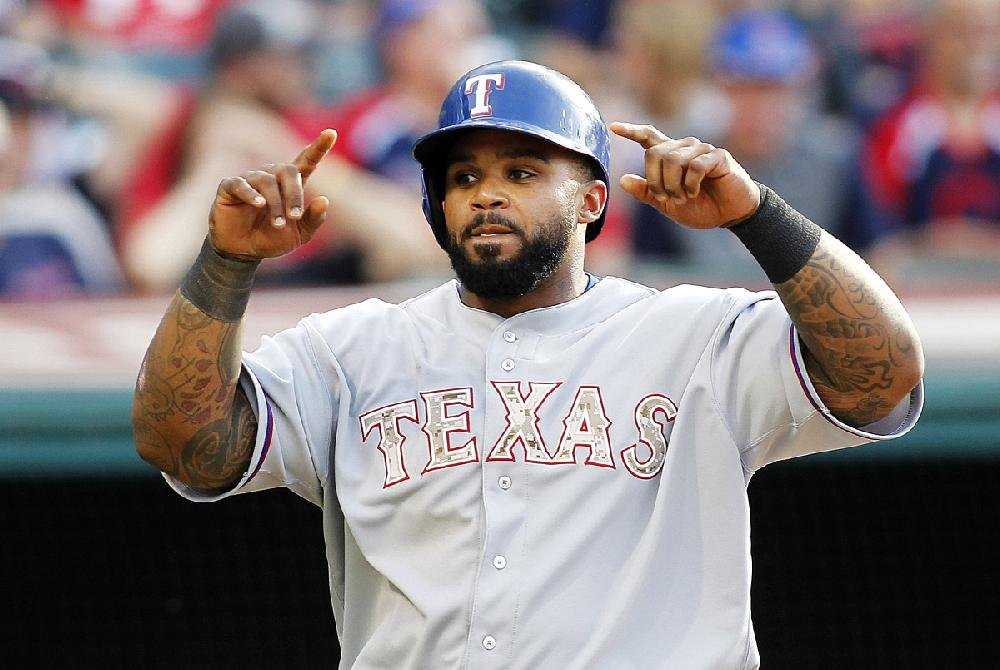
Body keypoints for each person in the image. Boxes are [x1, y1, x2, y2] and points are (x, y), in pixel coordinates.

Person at [132, 60, 924, 668]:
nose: (485, 194)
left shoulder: (695, 336)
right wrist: (226, 264)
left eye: (521, 171)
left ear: (589, 200)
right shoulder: (349, 351)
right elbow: (186, 445)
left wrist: (757, 216)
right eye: (464, 176)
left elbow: (882, 371)